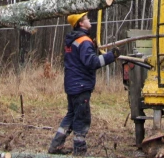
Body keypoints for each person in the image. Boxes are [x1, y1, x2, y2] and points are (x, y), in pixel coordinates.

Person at [48, 12, 120, 155]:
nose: (89, 20)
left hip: (71, 84)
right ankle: (79, 151)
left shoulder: (73, 40)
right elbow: (91, 62)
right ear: (81, 23)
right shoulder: (84, 41)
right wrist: (111, 56)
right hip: (81, 86)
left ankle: (56, 145)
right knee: (82, 118)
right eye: (86, 18)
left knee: (71, 115)